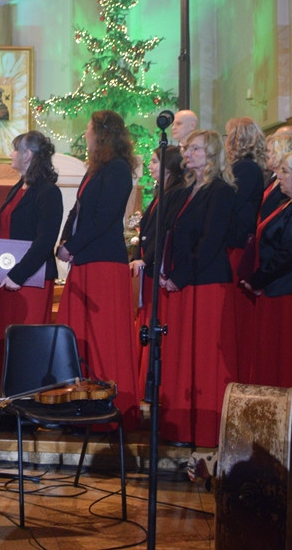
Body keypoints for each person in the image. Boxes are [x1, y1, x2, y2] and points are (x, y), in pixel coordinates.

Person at [55, 111, 139, 429]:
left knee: (104, 337)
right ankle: (80, 404)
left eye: (89, 129)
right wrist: (65, 241)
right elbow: (78, 211)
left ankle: (112, 407)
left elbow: (103, 219)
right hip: (87, 260)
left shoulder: (117, 170)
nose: (85, 133)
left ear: (102, 134)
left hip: (104, 262)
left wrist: (72, 247)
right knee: (81, 334)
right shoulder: (98, 168)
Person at [239, 149, 292, 445]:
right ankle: (272, 430)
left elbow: (291, 251)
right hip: (279, 292)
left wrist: (258, 279)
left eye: (287, 172)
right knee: (273, 362)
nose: (279, 177)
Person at [158, 130, 237, 448]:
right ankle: (181, 426)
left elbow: (210, 241)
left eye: (195, 149)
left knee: (204, 358)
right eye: (187, 148)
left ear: (213, 154)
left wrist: (181, 275)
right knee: (181, 356)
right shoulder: (187, 189)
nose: (187, 154)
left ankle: (205, 430)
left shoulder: (221, 191)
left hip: (205, 283)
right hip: (184, 281)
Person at [0, 131, 62, 395]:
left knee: (26, 345)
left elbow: (45, 241)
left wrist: (17, 275)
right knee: (3, 341)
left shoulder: (49, 192)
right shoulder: (20, 185)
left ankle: (25, 404)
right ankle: (1, 401)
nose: (11, 154)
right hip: (5, 278)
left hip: (29, 280)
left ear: (28, 155)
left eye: (15, 149)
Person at [129, 145, 185, 396]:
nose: (150, 166)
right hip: (148, 267)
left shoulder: (174, 193)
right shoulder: (161, 192)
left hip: (154, 268)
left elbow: (163, 233)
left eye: (155, 161)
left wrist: (147, 259)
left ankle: (150, 386)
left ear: (170, 166)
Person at [223, 117, 267, 381]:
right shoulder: (246, 167)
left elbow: (232, 207)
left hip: (237, 246)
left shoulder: (245, 168)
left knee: (235, 312)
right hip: (235, 243)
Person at [259, 133, 292, 221]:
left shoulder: (290, 182)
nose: (265, 154)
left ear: (279, 152)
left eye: (268, 151)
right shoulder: (273, 179)